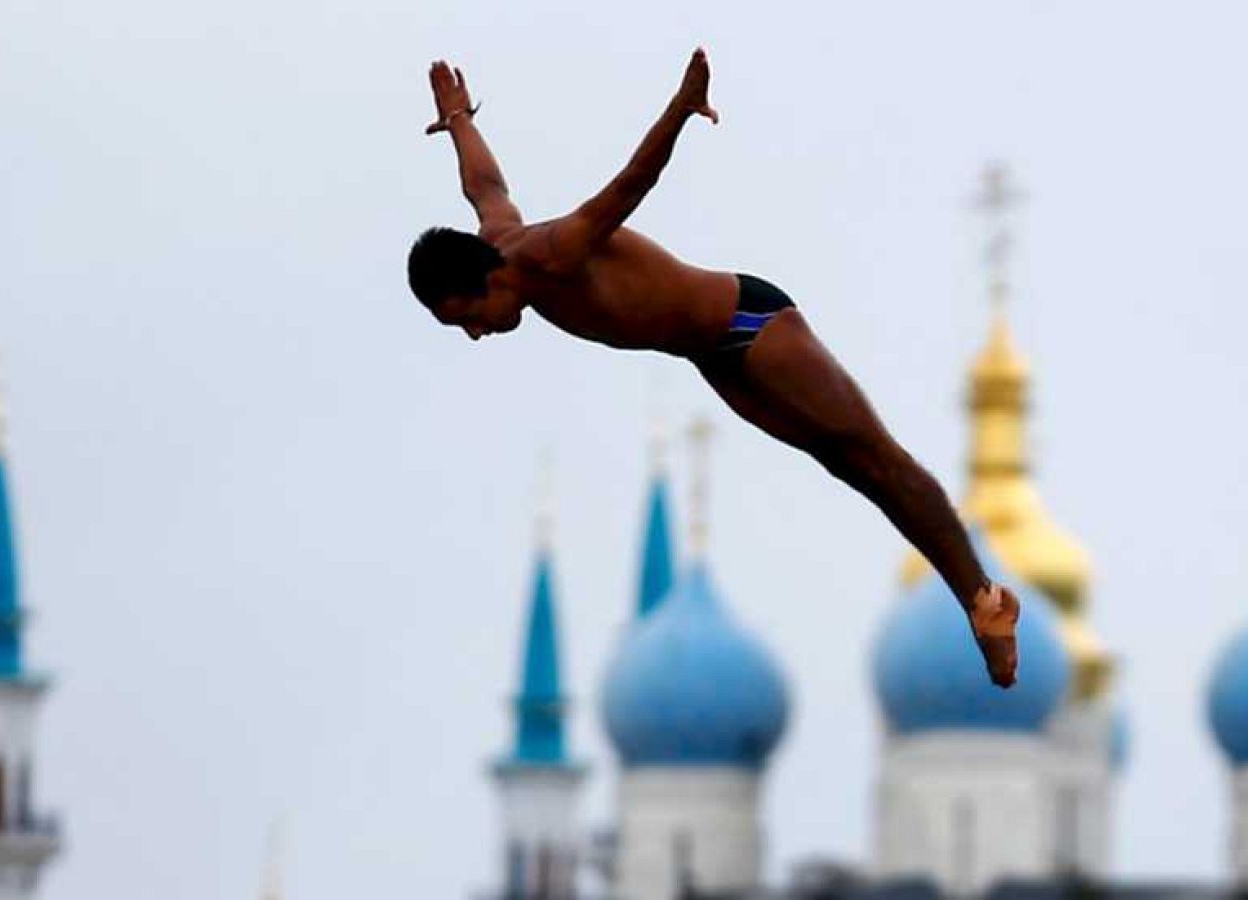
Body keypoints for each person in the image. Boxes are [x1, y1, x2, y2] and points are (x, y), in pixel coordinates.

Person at [410, 49, 1019, 687]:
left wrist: (680, 109)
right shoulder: (496, 239)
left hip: (752, 325)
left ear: (489, 277)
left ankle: (984, 603)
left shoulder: (551, 254)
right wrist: (458, 120)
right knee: (846, 467)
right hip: (713, 357)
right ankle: (976, 601)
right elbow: (484, 186)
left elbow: (627, 187)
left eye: (470, 317)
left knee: (875, 457)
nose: (478, 333)